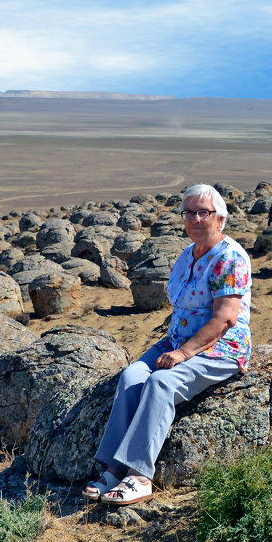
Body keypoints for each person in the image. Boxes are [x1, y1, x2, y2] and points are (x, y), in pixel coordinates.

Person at [84, 184, 253, 505]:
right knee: (132, 376)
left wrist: (184, 353)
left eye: (204, 212)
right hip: (177, 340)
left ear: (221, 220)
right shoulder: (187, 255)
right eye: (189, 212)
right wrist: (175, 345)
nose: (195, 218)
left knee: (161, 383)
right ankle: (114, 468)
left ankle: (139, 475)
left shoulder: (229, 258)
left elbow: (225, 319)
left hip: (221, 348)